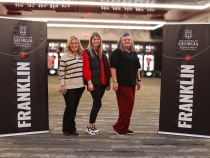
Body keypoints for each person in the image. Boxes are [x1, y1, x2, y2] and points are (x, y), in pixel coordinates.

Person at [110, 32, 141, 135]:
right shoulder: (117, 52)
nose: (127, 41)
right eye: (125, 40)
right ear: (121, 41)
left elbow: (137, 68)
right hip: (122, 83)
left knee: (129, 106)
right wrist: (115, 81)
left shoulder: (133, 53)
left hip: (132, 82)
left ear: (131, 41)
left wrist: (139, 80)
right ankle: (119, 127)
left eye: (128, 40)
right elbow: (113, 68)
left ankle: (124, 127)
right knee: (126, 104)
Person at [83, 32, 111, 135]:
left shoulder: (102, 53)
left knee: (96, 103)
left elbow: (107, 68)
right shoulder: (87, 52)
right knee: (98, 103)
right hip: (93, 83)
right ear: (91, 41)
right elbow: (86, 68)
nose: (96, 41)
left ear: (100, 41)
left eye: (97, 39)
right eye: (94, 39)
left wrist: (108, 83)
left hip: (103, 83)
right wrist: (89, 82)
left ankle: (92, 125)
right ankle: (90, 126)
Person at [59, 36, 85, 136]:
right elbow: (61, 72)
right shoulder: (65, 56)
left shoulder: (81, 55)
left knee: (74, 108)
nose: (74, 45)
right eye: (72, 43)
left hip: (80, 86)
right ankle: (66, 128)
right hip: (69, 86)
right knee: (69, 107)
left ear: (78, 44)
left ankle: (72, 128)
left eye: (76, 43)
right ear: (69, 45)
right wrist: (62, 85)